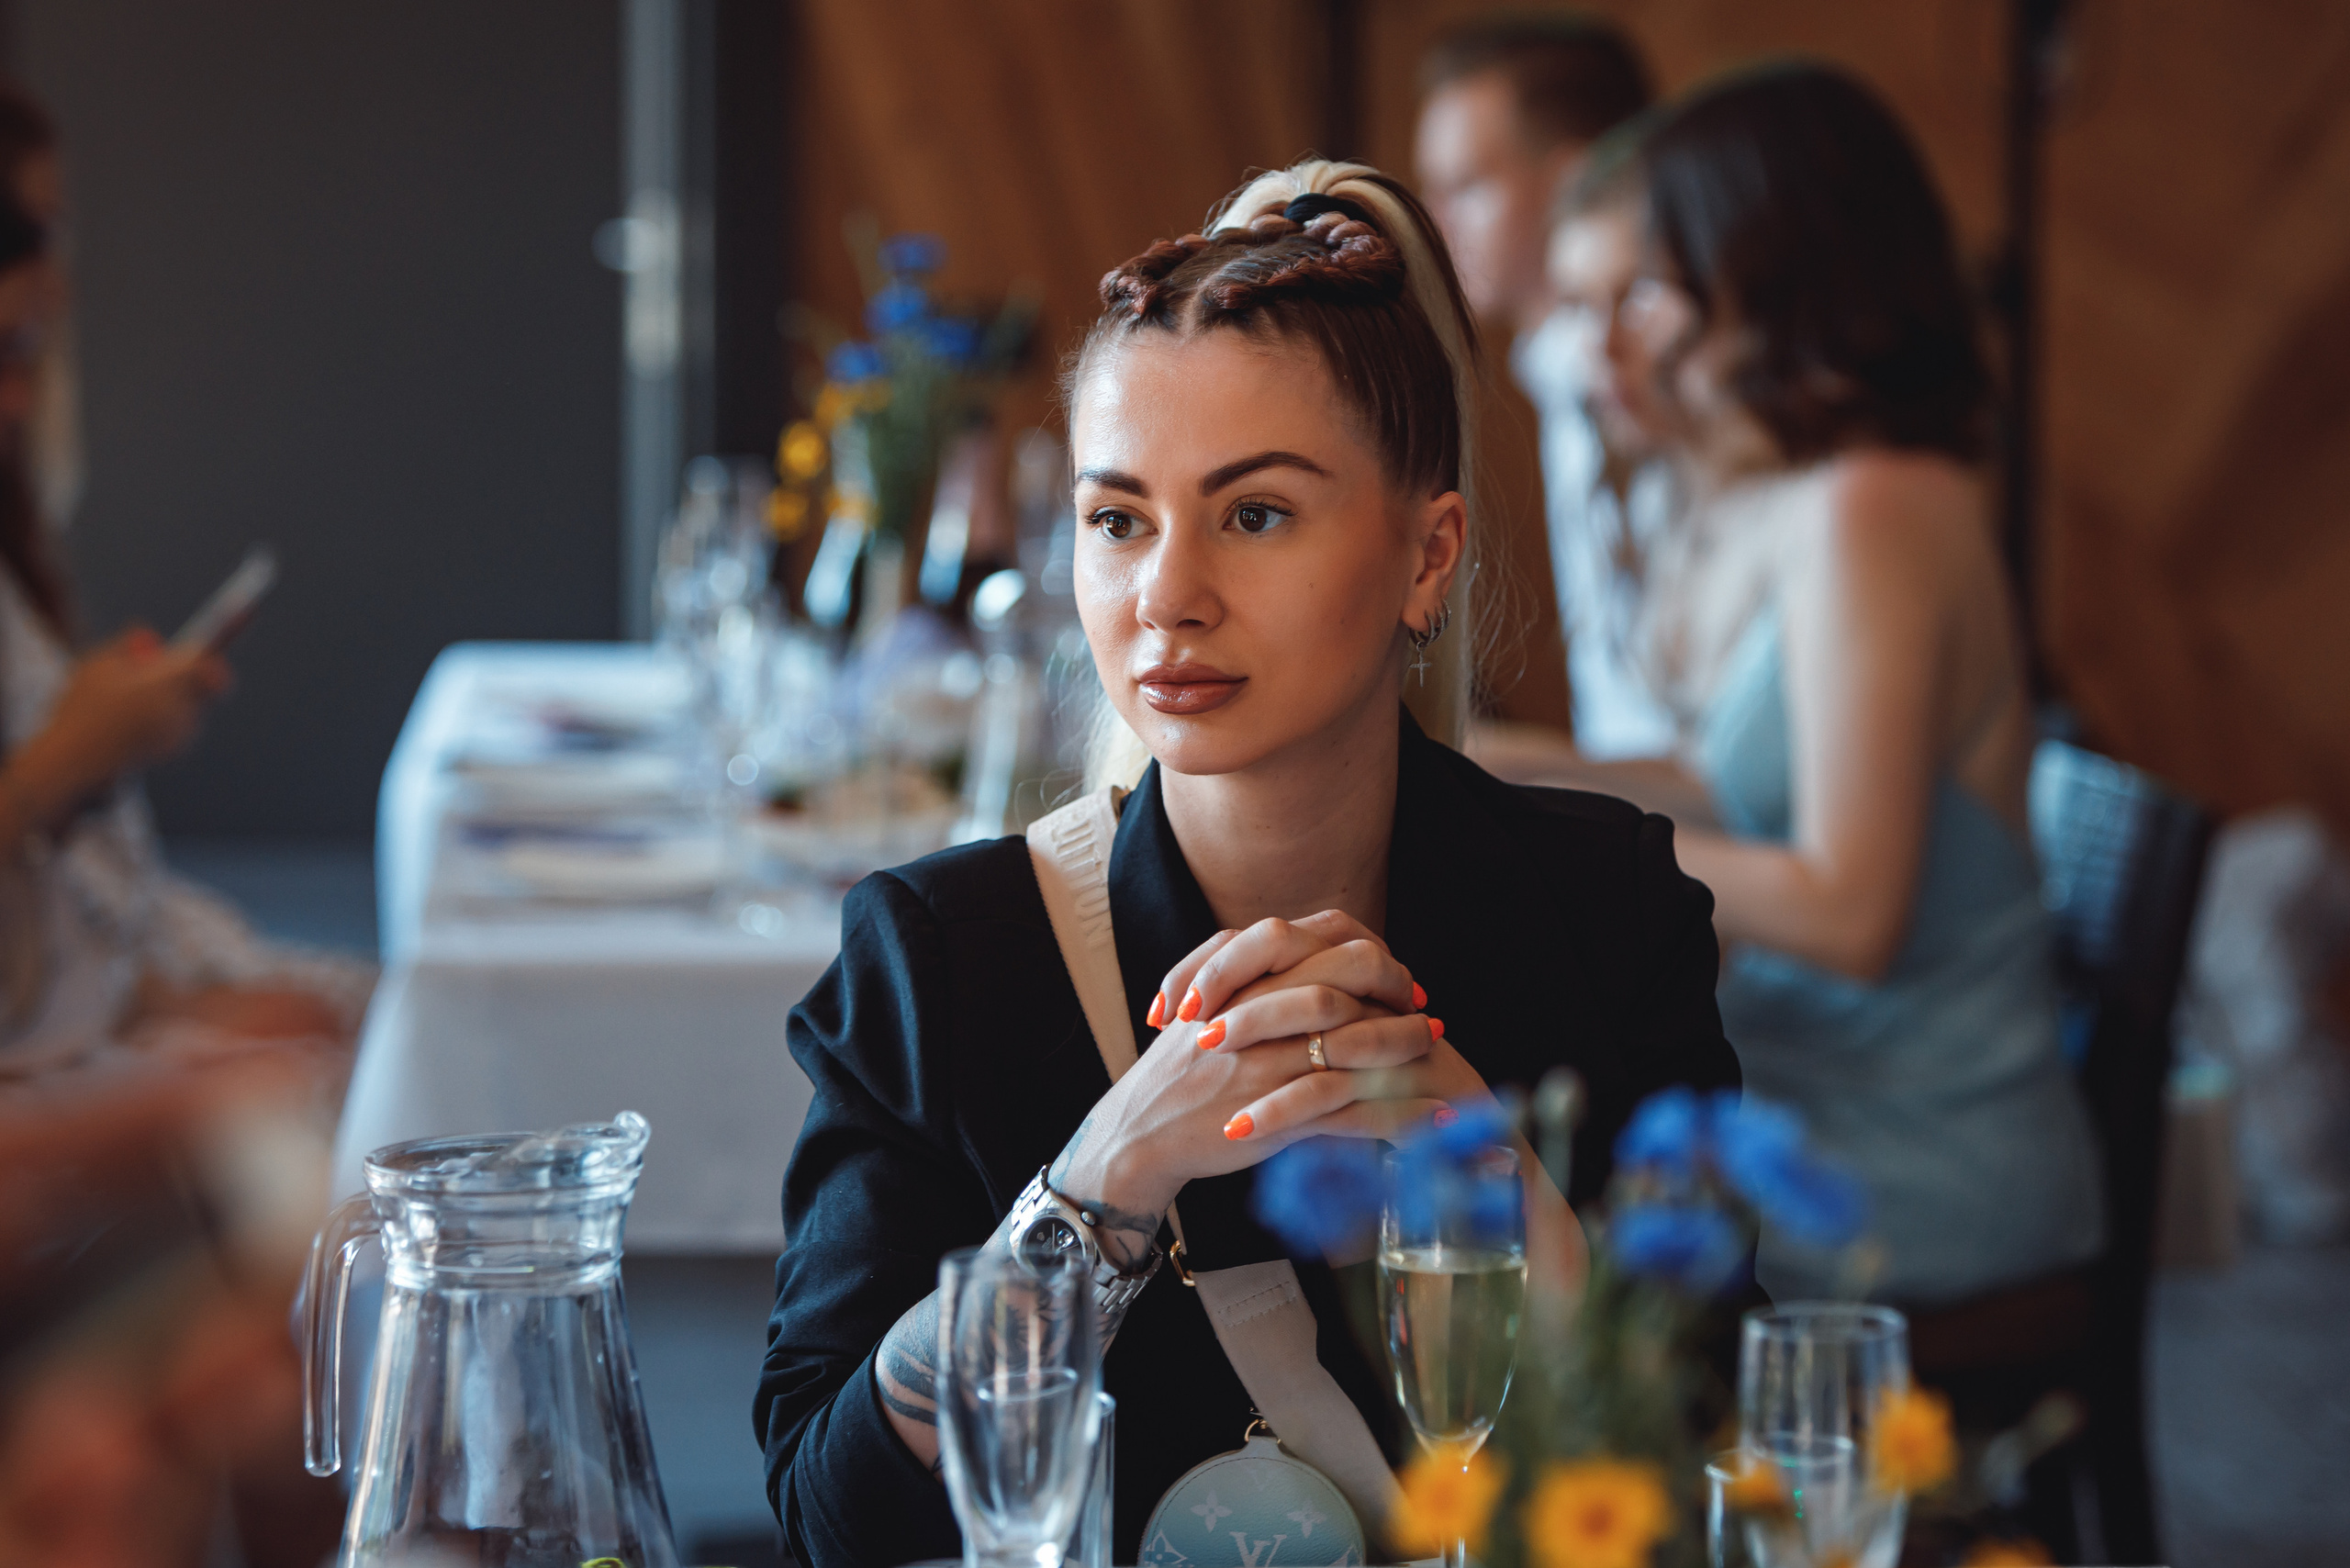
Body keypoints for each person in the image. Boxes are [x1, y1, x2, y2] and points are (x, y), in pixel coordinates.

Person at [756, 159, 1739, 1568]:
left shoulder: (1603, 910)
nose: (1167, 596)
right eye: (1118, 520)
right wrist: (1096, 1189)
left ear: (1429, 557)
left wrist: (1497, 1185)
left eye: (1256, 514)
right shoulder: (946, 955)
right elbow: (828, 1514)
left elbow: (1722, 1464)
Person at [1547, 64, 2103, 1306]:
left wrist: (1563, 842)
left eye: (1655, 286)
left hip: (1908, 1161)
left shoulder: (1874, 506)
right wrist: (1486, 764)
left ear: (1772, 272)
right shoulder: (1825, 493)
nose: (1626, 337)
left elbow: (1853, 913)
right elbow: (1724, 786)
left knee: (1520, 1224)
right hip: (1806, 1104)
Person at [0, 148, 368, 1081]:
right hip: (63, 1060)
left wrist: (94, 733)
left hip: (105, 997)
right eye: (27, 233)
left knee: (414, 1031)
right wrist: (69, 758)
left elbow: (70, 923)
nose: (56, 275)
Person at [1415, 14, 1677, 761]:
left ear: (1571, 183)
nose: (1433, 223)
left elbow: (1671, 733)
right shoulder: (1556, 376)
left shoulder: (1648, 391)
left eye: (1467, 186)